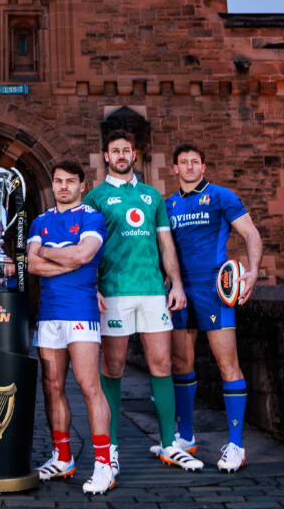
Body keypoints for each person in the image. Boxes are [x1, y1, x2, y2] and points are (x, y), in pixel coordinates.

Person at [83, 130, 204, 474]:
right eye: (114, 151)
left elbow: (166, 245)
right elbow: (89, 248)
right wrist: (93, 287)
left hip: (153, 291)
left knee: (162, 364)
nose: (121, 156)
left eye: (126, 150)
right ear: (106, 156)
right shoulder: (95, 198)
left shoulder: (152, 197)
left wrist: (176, 285)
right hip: (115, 291)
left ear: (134, 155)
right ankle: (112, 447)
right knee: (113, 367)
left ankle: (169, 444)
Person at [162, 144, 262, 473]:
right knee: (181, 363)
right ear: (174, 169)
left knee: (226, 363)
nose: (190, 167)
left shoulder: (221, 196)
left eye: (195, 162)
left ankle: (236, 445)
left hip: (215, 290)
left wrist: (252, 272)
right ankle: (186, 438)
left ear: (203, 167)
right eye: (183, 163)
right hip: (180, 291)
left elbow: (251, 234)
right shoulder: (168, 205)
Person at [26, 160, 115, 495]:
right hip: (48, 313)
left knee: (89, 385)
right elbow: (31, 265)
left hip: (81, 310)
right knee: (52, 386)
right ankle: (63, 457)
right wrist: (68, 257)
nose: (63, 187)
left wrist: (52, 254)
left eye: (70, 182)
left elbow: (84, 255)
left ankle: (104, 466)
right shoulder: (40, 220)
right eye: (58, 181)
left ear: (83, 186)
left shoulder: (91, 217)